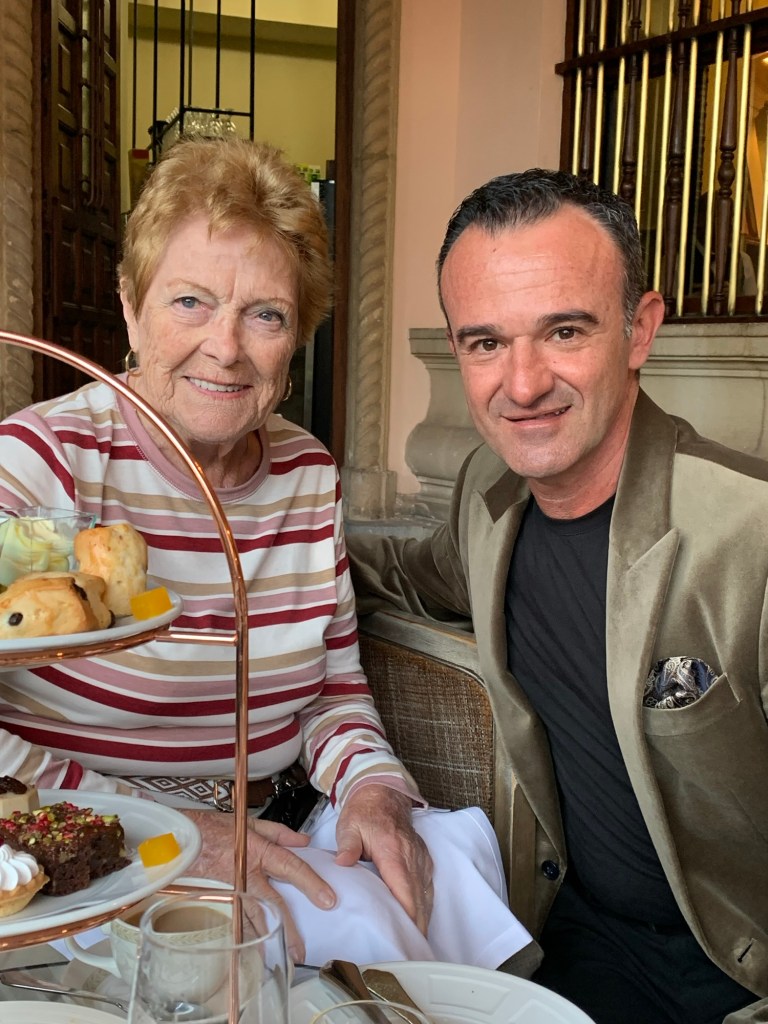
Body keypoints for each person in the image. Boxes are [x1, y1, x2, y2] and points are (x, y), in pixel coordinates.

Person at [0, 137, 533, 972]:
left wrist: (371, 786)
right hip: (97, 846)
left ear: (296, 340)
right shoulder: (39, 465)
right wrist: (182, 833)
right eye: (190, 301)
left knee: (437, 873)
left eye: (266, 315)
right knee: (345, 947)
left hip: (282, 823)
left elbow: (331, 688)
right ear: (131, 307)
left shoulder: (306, 472)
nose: (226, 346)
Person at [347, 169, 767, 1024]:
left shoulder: (750, 536)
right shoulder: (488, 495)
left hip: (740, 971)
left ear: (639, 330)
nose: (524, 383)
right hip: (582, 940)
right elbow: (400, 573)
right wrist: (255, 547)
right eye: (485, 343)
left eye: (564, 330)